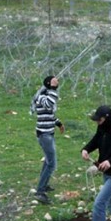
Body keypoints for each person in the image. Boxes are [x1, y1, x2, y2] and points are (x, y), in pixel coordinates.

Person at [31, 75, 64, 204]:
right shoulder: (42, 97)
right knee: (51, 164)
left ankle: (43, 185)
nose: (57, 82)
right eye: (54, 81)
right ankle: (40, 192)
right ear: (49, 84)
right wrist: (54, 88)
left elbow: (49, 114)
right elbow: (50, 103)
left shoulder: (45, 96)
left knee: (48, 161)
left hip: (48, 134)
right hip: (45, 136)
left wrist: (58, 123)